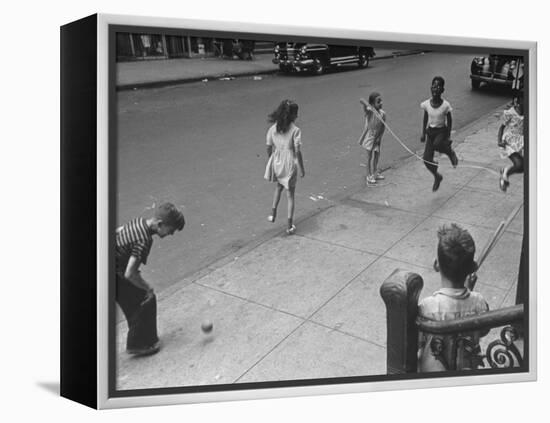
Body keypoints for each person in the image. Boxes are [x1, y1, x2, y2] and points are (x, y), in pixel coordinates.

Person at [115, 202, 185, 356]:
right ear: (160, 224)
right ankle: (140, 344)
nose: (171, 234)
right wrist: (147, 287)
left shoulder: (139, 222)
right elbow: (130, 273)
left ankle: (140, 340)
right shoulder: (144, 240)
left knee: (134, 301)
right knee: (146, 299)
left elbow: (118, 231)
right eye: (171, 230)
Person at [417, 223, 489, 372]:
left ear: (436, 265)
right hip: (467, 369)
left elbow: (418, 341)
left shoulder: (427, 307)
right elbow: (484, 331)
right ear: (472, 268)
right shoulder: (479, 303)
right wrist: (469, 291)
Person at [264, 99, 305, 235]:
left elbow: (268, 146)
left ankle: (273, 212)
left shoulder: (273, 128)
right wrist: (302, 168)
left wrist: (271, 158)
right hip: (289, 163)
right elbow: (297, 151)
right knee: (290, 195)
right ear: (292, 115)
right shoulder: (295, 130)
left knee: (278, 187)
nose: (297, 116)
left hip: (277, 161)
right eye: (296, 113)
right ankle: (289, 225)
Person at [420, 76, 459, 192]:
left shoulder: (445, 105)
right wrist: (423, 133)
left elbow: (450, 120)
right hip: (430, 132)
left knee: (438, 144)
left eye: (438, 87)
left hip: (441, 131)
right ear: (430, 88)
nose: (435, 89)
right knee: (426, 159)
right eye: (433, 86)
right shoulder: (426, 104)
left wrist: (448, 137)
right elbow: (425, 118)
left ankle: (450, 152)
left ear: (442, 90)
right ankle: (437, 176)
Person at [498, 92, 524, 192]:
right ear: (518, 100)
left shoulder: (530, 111)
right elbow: (501, 128)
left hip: (521, 142)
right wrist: (499, 141)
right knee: (519, 165)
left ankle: (506, 171)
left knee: (522, 167)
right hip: (510, 142)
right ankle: (505, 174)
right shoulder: (510, 113)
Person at [358, 92, 386, 186]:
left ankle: (375, 172)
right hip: (370, 137)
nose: (381, 103)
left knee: (377, 155)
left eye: (381, 101)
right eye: (378, 101)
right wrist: (369, 107)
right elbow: (361, 100)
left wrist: (379, 138)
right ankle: (368, 175)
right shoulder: (370, 112)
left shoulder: (382, 114)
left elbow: (382, 128)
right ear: (373, 104)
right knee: (369, 157)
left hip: (377, 138)